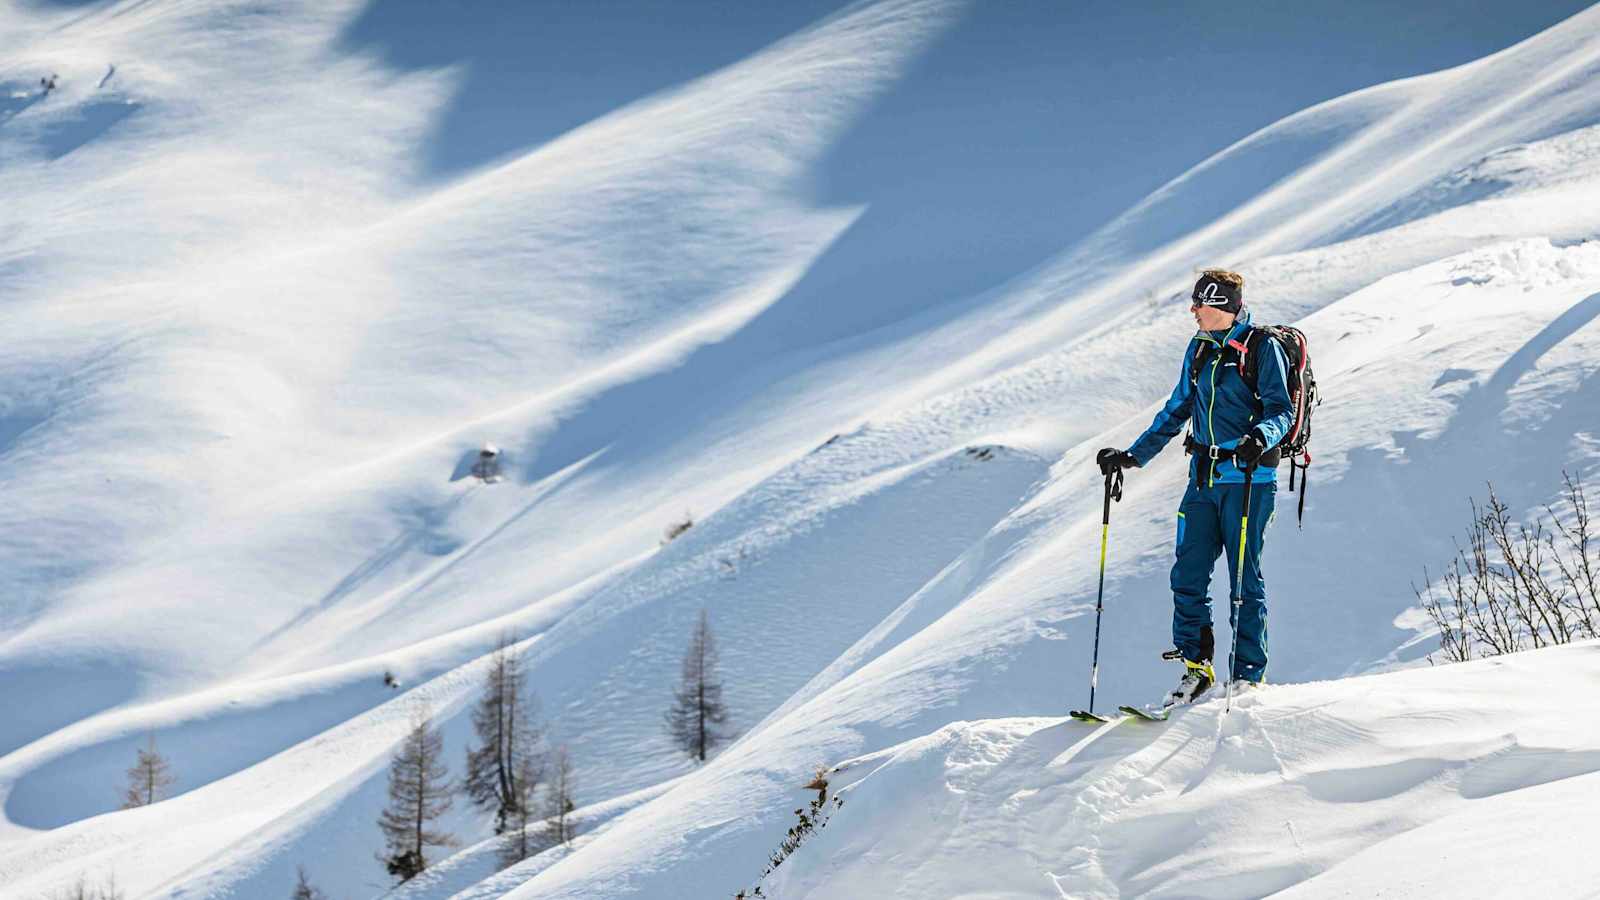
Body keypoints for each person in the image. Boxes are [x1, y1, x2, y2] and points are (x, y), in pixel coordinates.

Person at [1096, 269, 1294, 708]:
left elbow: (1282, 408)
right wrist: (1133, 455)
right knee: (1187, 575)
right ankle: (1197, 670)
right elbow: (1178, 407)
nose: (1192, 311)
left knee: (1244, 580)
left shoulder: (1263, 348)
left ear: (1221, 305)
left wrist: (1258, 438)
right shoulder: (1200, 349)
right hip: (1203, 480)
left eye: (1199, 304)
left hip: (1248, 481)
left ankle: (1246, 678)